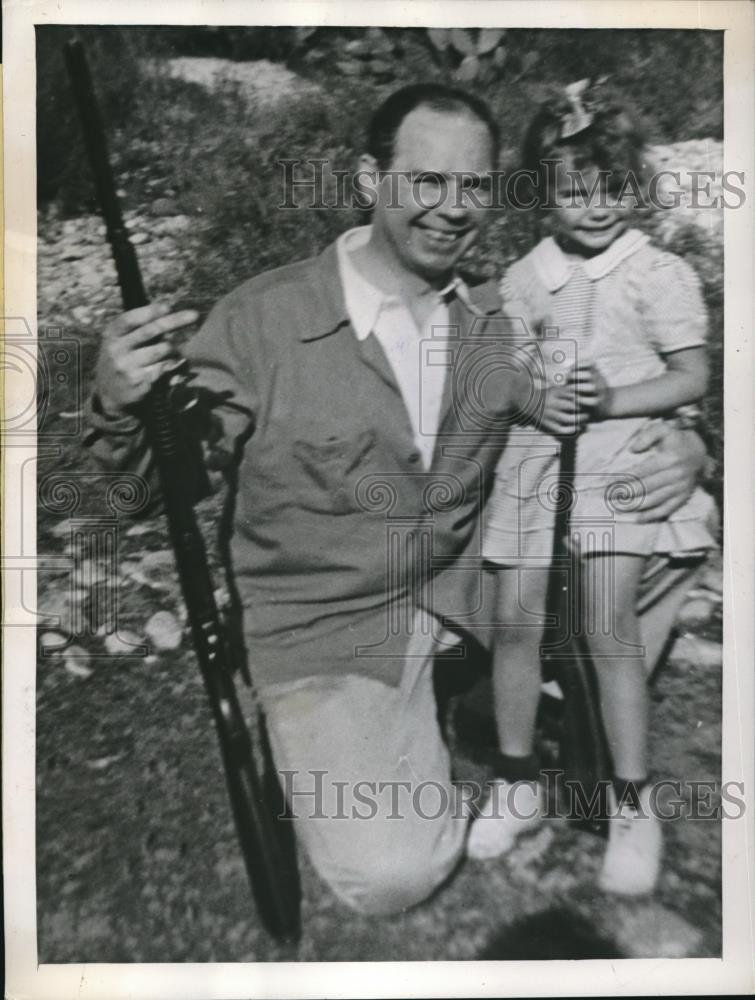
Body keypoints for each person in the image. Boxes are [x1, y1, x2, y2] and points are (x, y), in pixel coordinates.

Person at [87, 83, 709, 916]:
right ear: (367, 179)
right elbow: (144, 491)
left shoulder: (496, 317)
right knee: (391, 877)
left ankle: (508, 720)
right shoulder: (262, 320)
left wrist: (688, 444)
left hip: (464, 596)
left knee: (662, 545)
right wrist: (119, 404)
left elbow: (602, 393)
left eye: (475, 186)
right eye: (426, 181)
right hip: (330, 625)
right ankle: (349, 731)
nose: (453, 209)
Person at [468, 81, 718, 897]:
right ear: (544, 195)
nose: (596, 206)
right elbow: (505, 367)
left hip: (621, 458)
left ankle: (630, 803)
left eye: (611, 188)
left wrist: (610, 399)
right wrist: (535, 393)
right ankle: (516, 778)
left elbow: (691, 372)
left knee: (609, 627)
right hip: (537, 457)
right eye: (574, 192)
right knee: (513, 617)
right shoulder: (524, 278)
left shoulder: (657, 272)